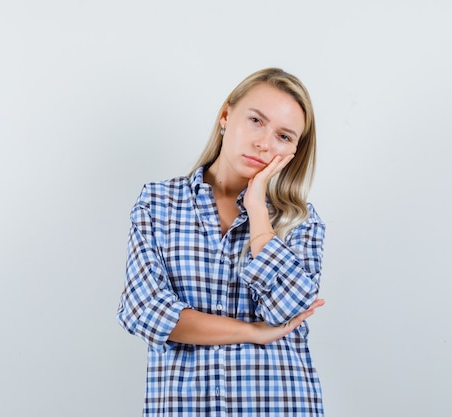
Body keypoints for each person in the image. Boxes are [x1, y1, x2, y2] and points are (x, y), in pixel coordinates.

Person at [116, 67, 327, 416]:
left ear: (294, 151)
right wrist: (252, 332)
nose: (264, 143)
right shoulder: (159, 204)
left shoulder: (299, 220)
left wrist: (258, 208)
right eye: (256, 120)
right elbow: (145, 313)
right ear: (226, 115)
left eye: (284, 136)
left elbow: (286, 311)